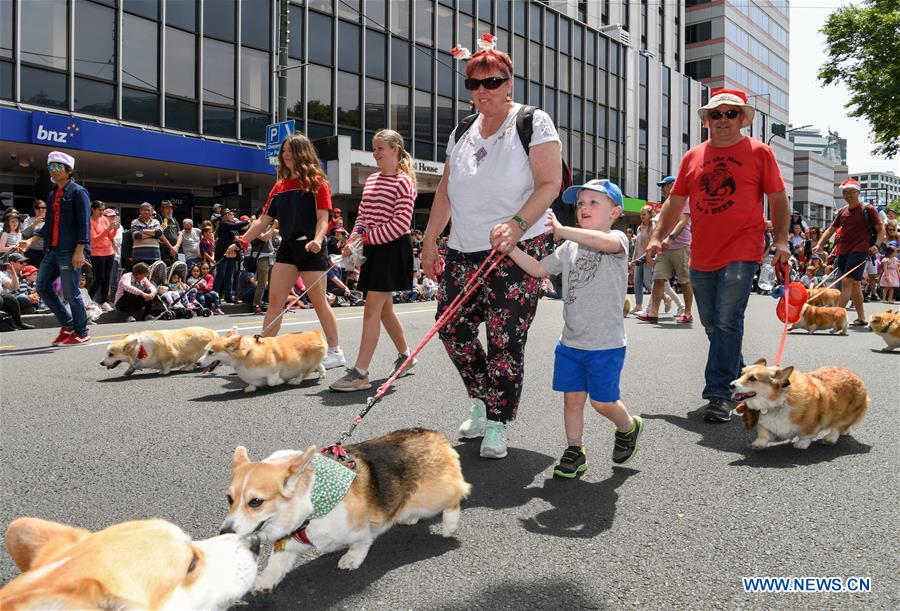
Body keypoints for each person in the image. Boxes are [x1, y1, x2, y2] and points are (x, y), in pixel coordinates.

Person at [421, 37, 562, 458]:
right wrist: (431, 242)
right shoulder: (462, 129)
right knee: (452, 329)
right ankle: (482, 398)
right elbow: (445, 189)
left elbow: (550, 182)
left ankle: (498, 420)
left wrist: (518, 224)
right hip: (463, 249)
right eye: (474, 83)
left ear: (509, 83)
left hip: (516, 249)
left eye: (493, 82)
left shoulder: (533, 122)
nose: (483, 90)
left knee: (504, 339)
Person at [646, 88, 790, 423]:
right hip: (703, 252)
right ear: (707, 120)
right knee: (713, 324)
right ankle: (744, 380)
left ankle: (719, 395)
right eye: (716, 114)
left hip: (743, 247)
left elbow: (779, 200)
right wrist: (656, 236)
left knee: (727, 321)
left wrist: (781, 240)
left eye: (730, 114)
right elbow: (674, 203)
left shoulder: (759, 152)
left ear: (742, 119)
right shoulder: (692, 157)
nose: (722, 120)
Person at [508, 180, 644, 475]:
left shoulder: (618, 238)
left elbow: (604, 244)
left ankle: (628, 426)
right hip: (570, 343)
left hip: (605, 344)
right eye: (580, 203)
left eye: (594, 203)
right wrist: (510, 249)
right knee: (572, 400)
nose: (584, 208)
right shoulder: (569, 247)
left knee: (603, 402)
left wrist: (562, 230)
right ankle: (575, 449)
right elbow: (539, 269)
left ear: (615, 211)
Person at [237, 133, 345, 369]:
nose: (284, 155)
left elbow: (323, 218)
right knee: (275, 301)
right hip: (287, 247)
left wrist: (317, 240)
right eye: (283, 151)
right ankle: (262, 351)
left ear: (301, 153)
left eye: (289, 151)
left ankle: (336, 351)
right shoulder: (279, 186)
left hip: (310, 247)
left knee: (318, 302)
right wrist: (242, 241)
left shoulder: (317, 182)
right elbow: (264, 220)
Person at [330, 129, 418, 392]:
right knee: (384, 309)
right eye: (374, 148)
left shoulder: (405, 182)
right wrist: (353, 237)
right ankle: (406, 356)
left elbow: (401, 224)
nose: (375, 153)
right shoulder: (371, 180)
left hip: (392, 249)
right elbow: (363, 216)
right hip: (375, 247)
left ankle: (360, 373)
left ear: (395, 150)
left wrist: (364, 240)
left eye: (380, 148)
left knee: (372, 309)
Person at [34, 151, 93, 345]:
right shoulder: (52, 195)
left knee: (70, 292)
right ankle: (68, 325)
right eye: (50, 167)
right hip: (52, 250)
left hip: (70, 250)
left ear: (69, 170)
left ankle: (82, 332)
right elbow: (49, 223)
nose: (53, 170)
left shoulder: (78, 192)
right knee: (42, 286)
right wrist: (30, 240)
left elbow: (84, 224)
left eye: (58, 166)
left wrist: (80, 251)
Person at [814, 179, 885, 325]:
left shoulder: (868, 209)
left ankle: (836, 317)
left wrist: (877, 245)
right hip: (843, 251)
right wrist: (820, 244)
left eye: (852, 192)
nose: (848, 195)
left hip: (860, 250)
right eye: (845, 192)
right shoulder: (841, 212)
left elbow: (880, 229)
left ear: (858, 192)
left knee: (847, 281)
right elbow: (831, 229)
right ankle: (861, 317)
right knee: (855, 284)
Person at [638, 176, 694, 324]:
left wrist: (671, 237)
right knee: (658, 278)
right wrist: (651, 249)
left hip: (681, 246)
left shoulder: (685, 200)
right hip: (664, 248)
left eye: (664, 185)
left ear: (672, 186)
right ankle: (653, 313)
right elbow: (659, 227)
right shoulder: (666, 204)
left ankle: (687, 313)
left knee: (684, 280)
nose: (662, 189)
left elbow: (683, 221)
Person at [213, 208, 248, 303]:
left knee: (230, 275)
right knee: (221, 274)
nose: (233, 216)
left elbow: (243, 231)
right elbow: (237, 226)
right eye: (231, 214)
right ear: (226, 216)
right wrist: (248, 221)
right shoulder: (223, 224)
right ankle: (215, 294)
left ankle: (228, 295)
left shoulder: (233, 227)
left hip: (232, 254)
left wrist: (253, 225)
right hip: (223, 254)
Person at [88, 200, 117, 312]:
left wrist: (115, 229)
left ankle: (104, 301)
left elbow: (110, 236)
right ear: (93, 209)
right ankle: (89, 299)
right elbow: (95, 239)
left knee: (107, 278)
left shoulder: (104, 219)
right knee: (99, 278)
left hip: (109, 251)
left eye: (103, 210)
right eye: (99, 210)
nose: (101, 212)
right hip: (97, 253)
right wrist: (108, 229)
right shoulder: (90, 222)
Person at [0, 253, 36, 329]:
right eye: (21, 262)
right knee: (22, 298)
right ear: (12, 263)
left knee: (10, 298)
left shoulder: (1, 274)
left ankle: (19, 323)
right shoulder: (4, 273)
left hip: (3, 298)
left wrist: (12, 272)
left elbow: (14, 287)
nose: (25, 264)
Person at [249, 220, 277, 314]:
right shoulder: (255, 228)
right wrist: (273, 226)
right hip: (262, 258)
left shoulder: (268, 227)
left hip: (271, 258)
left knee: (273, 284)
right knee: (262, 284)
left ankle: (271, 304)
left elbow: (278, 233)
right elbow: (264, 238)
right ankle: (256, 305)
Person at [21, 200, 47, 267]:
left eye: (43, 207)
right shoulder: (29, 220)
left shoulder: (51, 220)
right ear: (34, 209)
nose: (41, 209)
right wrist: (34, 224)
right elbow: (25, 234)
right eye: (38, 208)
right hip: (32, 252)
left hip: (47, 252)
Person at [158, 200, 181, 265]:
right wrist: (171, 248)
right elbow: (160, 234)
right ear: (162, 209)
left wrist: (177, 246)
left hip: (175, 251)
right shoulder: (159, 218)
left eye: (171, 208)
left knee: (174, 272)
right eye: (167, 208)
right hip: (164, 252)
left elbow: (180, 233)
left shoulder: (174, 220)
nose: (170, 210)